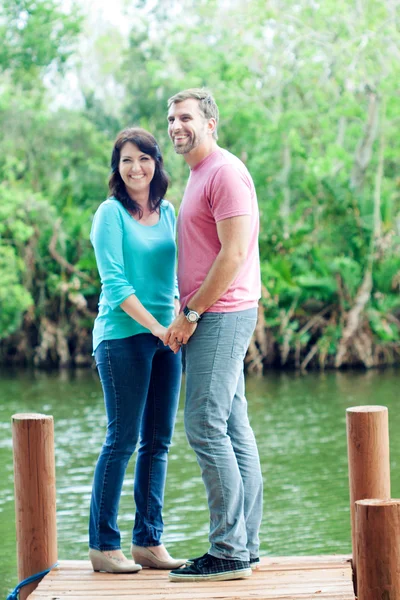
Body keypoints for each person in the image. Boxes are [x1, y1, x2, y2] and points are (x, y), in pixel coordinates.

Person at [165, 89, 263, 582]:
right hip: (218, 314)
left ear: (211, 123)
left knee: (204, 423)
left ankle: (227, 551)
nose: (176, 125)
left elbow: (234, 252)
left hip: (219, 314)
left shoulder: (224, 172)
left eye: (185, 117)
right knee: (230, 425)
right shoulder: (199, 174)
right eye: (171, 118)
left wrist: (191, 313)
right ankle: (244, 544)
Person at [88, 127, 185, 574]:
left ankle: (148, 542)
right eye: (126, 160)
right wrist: (157, 328)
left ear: (156, 164)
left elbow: (180, 273)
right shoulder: (110, 214)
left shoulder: (167, 212)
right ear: (117, 167)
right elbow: (116, 282)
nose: (136, 167)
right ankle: (104, 547)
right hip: (123, 337)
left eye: (144, 158)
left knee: (158, 442)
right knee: (122, 439)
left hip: (168, 338)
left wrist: (181, 323)